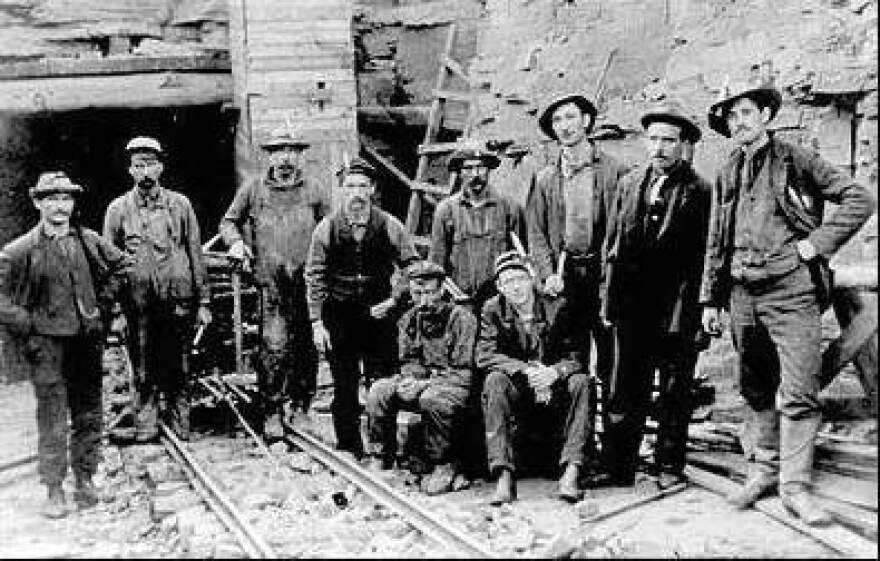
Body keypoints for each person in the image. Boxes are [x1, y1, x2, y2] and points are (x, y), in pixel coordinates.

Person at [700, 80, 875, 525]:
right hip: (742, 294)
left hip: (791, 292)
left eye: (745, 112)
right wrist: (710, 299)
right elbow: (716, 243)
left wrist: (816, 245)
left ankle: (796, 488)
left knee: (798, 390)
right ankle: (763, 470)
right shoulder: (727, 170)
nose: (738, 122)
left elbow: (860, 198)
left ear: (765, 115)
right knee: (756, 386)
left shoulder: (796, 159)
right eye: (730, 116)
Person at [0, 172, 129, 518]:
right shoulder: (21, 249)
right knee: (53, 417)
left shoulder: (87, 241)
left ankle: (85, 480)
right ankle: (54, 489)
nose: (60, 206)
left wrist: (101, 303)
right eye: (52, 199)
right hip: (47, 348)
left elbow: (122, 267)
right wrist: (25, 322)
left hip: (85, 342)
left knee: (89, 414)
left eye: (66, 199)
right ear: (38, 203)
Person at [600, 100, 711, 488]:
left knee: (674, 390)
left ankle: (668, 464)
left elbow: (703, 258)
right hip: (632, 305)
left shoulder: (700, 190)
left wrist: (696, 310)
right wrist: (609, 299)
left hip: (676, 304)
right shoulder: (630, 183)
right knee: (622, 385)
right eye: (654, 139)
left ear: (683, 145)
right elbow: (613, 245)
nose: (660, 147)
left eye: (669, 140)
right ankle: (618, 466)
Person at [526, 93, 628, 467]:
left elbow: (623, 229)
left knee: (613, 367)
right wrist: (547, 272)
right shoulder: (545, 179)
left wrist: (613, 276)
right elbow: (536, 232)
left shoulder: (614, 171)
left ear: (586, 122)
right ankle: (571, 454)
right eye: (557, 121)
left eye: (571, 117)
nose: (565, 126)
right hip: (564, 283)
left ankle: (615, 460)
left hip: (604, 280)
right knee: (567, 366)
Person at [219, 126, 330, 439]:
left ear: (300, 156)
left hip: (307, 285)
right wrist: (236, 244)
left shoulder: (315, 190)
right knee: (274, 346)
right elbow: (229, 221)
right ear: (269, 156)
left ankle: (301, 407)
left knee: (307, 347)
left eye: (292, 152)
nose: (285, 158)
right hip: (271, 285)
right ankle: (271, 411)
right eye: (279, 151)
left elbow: (331, 229)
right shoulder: (254, 190)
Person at [305, 157, 419, 458]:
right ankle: (348, 448)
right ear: (342, 190)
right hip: (339, 314)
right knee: (344, 383)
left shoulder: (390, 225)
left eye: (362, 186)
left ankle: (385, 447)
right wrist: (317, 323)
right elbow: (314, 275)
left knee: (382, 382)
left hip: (379, 313)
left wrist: (395, 299)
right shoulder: (326, 229)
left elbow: (413, 267)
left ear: (372, 189)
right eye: (350, 186)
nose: (356, 192)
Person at [103, 136, 212, 442]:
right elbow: (107, 266)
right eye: (139, 165)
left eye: (151, 164)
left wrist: (204, 302)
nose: (146, 172)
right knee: (143, 365)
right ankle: (147, 424)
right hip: (137, 305)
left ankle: (181, 423)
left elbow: (195, 254)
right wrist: (114, 311)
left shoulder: (180, 205)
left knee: (179, 364)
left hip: (179, 300)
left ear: (161, 167)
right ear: (130, 170)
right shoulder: (118, 210)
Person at [477, 251, 592, 505]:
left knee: (581, 382)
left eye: (520, 278)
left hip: (555, 388)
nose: (516, 287)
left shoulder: (557, 306)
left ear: (532, 279)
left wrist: (553, 373)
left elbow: (578, 356)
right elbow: (485, 355)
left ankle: (571, 471)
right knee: (494, 381)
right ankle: (503, 476)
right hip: (521, 388)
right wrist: (527, 371)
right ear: (499, 287)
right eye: (508, 281)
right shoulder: (492, 309)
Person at [365, 260, 478, 494]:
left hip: (457, 385)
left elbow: (464, 369)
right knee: (379, 391)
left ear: (442, 290)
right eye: (417, 293)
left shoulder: (462, 319)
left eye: (430, 293)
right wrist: (409, 381)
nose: (424, 300)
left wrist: (425, 384)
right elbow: (409, 360)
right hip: (424, 383)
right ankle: (381, 457)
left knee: (432, 398)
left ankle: (444, 463)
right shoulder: (409, 319)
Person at [429, 139, 526, 309]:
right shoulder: (446, 210)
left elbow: (521, 257)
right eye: (468, 168)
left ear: (488, 170)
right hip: (460, 300)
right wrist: (452, 296)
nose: (475, 174)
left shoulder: (509, 207)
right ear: (459, 172)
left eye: (481, 167)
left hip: (500, 301)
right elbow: (437, 262)